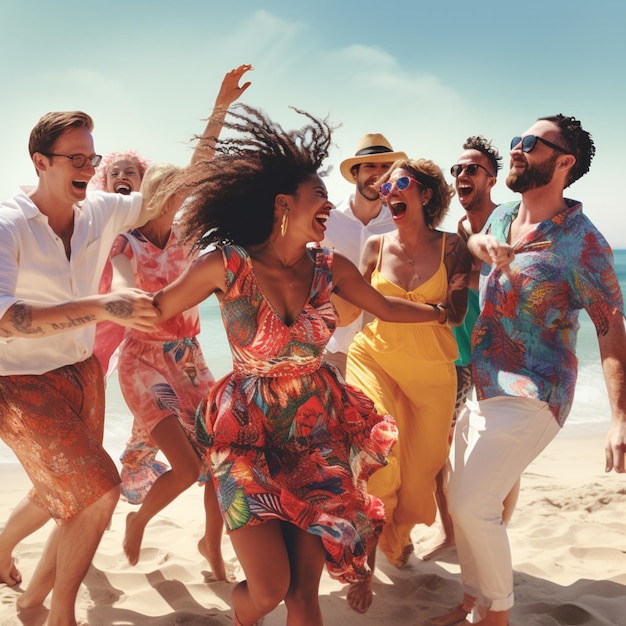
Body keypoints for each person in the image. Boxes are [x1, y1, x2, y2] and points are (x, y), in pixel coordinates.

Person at [150, 103, 450, 626]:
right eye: (320, 196)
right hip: (245, 433)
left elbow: (384, 308)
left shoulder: (329, 268)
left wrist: (441, 311)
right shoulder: (226, 262)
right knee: (269, 590)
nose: (329, 207)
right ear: (283, 204)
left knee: (304, 600)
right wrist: (81, 312)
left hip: (314, 435)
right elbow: (157, 309)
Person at [435, 114, 626, 626]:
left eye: (532, 144)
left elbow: (610, 329)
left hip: (537, 392)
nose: (517, 149)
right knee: (459, 499)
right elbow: (478, 245)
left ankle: (495, 615)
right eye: (517, 140)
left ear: (564, 163)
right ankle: (470, 601)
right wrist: (483, 246)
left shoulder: (585, 244)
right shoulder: (503, 219)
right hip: (482, 384)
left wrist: (620, 418)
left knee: (475, 504)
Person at [0, 110, 160, 626]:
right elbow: (6, 319)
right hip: (17, 383)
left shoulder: (100, 210)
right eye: (76, 158)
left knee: (69, 496)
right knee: (99, 492)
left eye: (91, 158)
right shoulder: (7, 223)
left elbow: (169, 196)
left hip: (82, 371)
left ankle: (28, 600)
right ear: (40, 162)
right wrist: (100, 307)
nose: (88, 168)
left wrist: (220, 112)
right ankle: (60, 616)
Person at [344, 158, 472, 613]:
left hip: (432, 368)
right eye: (382, 185)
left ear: (426, 194)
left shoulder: (454, 247)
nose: (387, 190)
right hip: (373, 357)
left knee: (420, 477)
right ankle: (363, 567)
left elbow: (454, 313)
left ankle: (396, 539)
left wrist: (410, 309)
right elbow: (349, 309)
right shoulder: (374, 245)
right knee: (381, 455)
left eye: (399, 183)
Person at [112, 163, 225, 579]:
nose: (185, 198)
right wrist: (128, 295)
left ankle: (211, 547)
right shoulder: (127, 243)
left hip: (189, 360)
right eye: (178, 191)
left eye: (186, 192)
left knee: (219, 456)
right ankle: (137, 521)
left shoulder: (191, 239)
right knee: (187, 467)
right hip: (144, 361)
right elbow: (121, 282)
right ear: (158, 193)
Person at [422, 136, 520, 562]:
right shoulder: (458, 231)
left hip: (503, 358)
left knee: (500, 451)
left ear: (492, 179)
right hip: (459, 357)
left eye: (472, 169)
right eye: (457, 170)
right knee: (443, 447)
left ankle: (495, 529)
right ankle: (450, 533)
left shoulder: (510, 221)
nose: (462, 175)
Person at [321, 133, 407, 376]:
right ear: (355, 173)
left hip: (384, 353)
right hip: (335, 350)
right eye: (370, 165)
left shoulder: (401, 225)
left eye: (385, 167)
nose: (378, 173)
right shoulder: (327, 221)